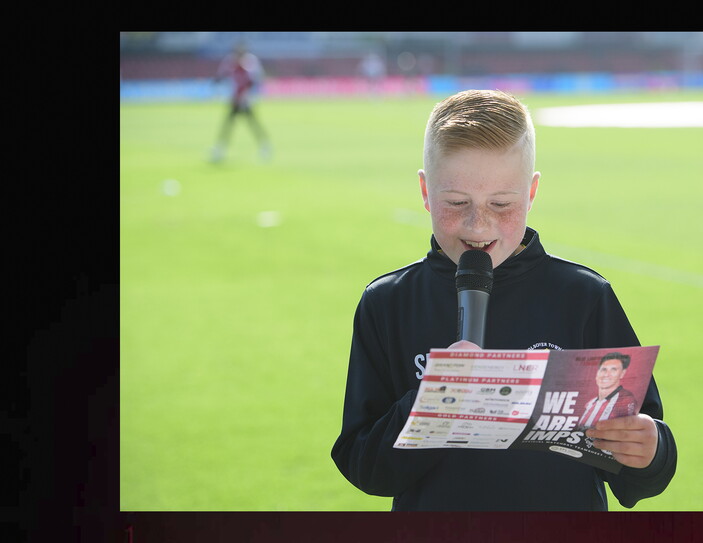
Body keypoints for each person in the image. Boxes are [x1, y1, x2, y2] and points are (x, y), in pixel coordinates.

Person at [331, 89, 677, 511]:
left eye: (502, 203)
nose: (479, 224)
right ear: (425, 191)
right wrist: (434, 399)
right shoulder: (388, 302)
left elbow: (641, 454)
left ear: (530, 194)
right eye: (457, 202)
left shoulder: (584, 297)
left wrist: (651, 451)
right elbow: (364, 465)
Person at [209, 41, 271, 163]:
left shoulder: (249, 64)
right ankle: (220, 149)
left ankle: (264, 146)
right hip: (236, 99)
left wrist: (247, 97)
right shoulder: (231, 63)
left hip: (245, 100)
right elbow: (222, 76)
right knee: (230, 124)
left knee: (250, 124)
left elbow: (253, 81)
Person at [578, 352, 639, 429]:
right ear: (597, 373)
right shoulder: (589, 404)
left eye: (613, 370)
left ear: (622, 373)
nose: (606, 374)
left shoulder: (626, 400)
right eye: (603, 369)